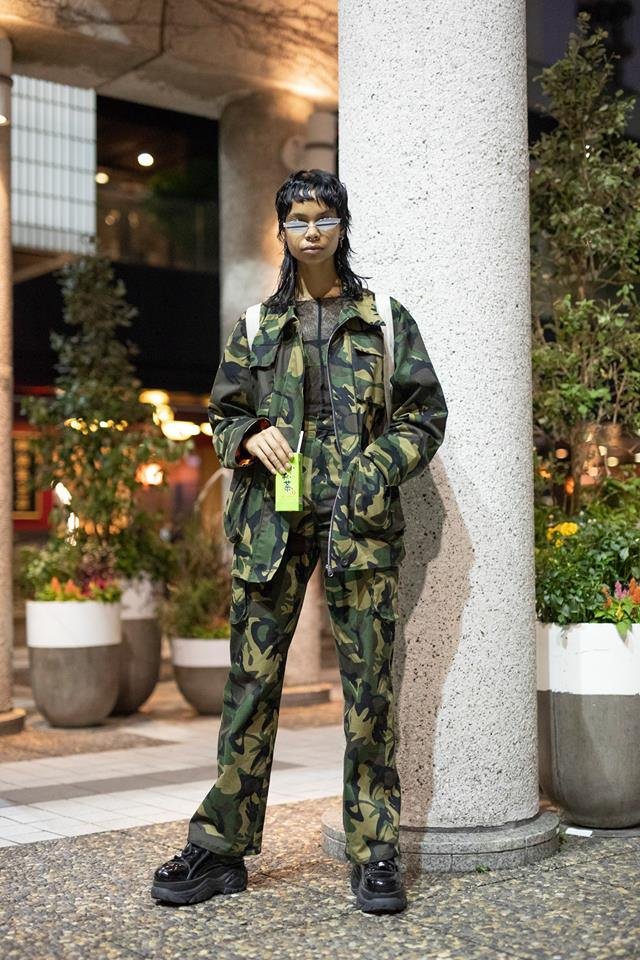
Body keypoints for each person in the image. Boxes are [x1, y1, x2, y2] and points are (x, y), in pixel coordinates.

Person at [151, 169, 448, 913]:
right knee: (249, 688)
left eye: (323, 218)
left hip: (359, 525)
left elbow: (425, 415)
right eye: (297, 220)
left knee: (369, 692)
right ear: (281, 231)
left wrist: (376, 466)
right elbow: (221, 415)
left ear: (342, 226)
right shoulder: (256, 324)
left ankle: (375, 851)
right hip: (270, 527)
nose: (310, 232)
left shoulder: (383, 319)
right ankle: (220, 849)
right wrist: (250, 432)